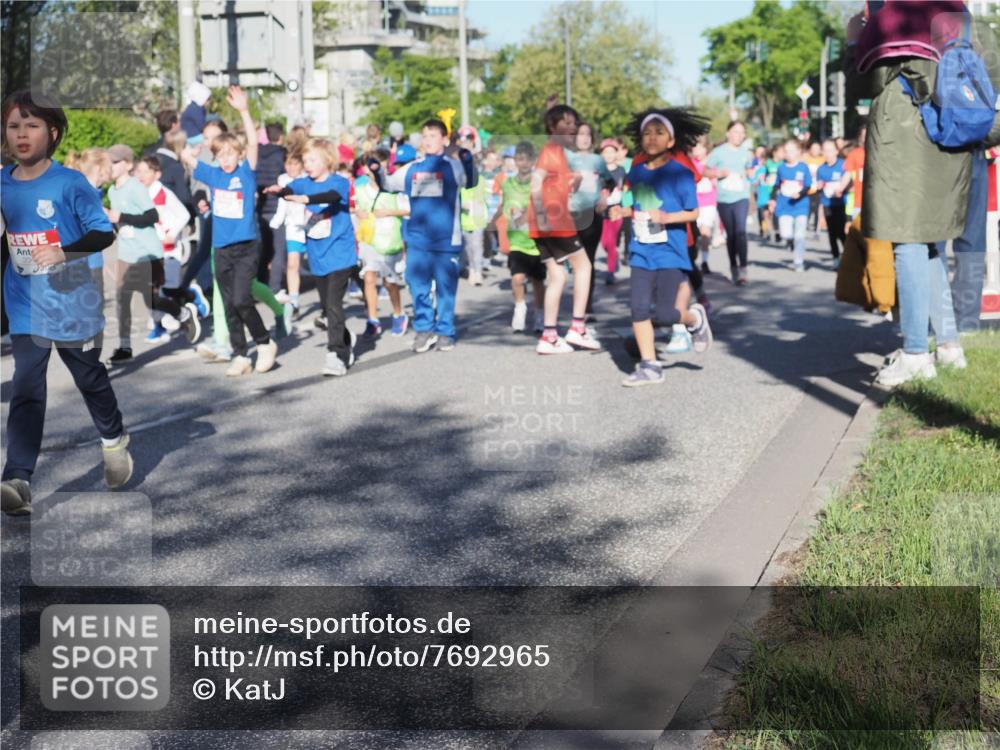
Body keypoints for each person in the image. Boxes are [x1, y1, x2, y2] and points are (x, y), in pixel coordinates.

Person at [1, 90, 133, 514]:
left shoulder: (70, 183)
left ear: (53, 133)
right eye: (13, 126)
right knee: (26, 384)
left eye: (32, 125)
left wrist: (64, 253)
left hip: (73, 301)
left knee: (89, 378)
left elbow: (103, 232)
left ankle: (113, 438)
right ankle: (17, 479)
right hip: (26, 303)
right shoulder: (2, 183)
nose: (21, 134)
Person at [847, 0, 971, 386]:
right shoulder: (953, 6)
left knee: (907, 239)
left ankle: (916, 353)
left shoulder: (892, 11)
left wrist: (854, 39)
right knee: (927, 241)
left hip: (905, 131)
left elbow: (863, 81)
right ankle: (949, 346)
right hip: (947, 130)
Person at [611, 108, 713, 387]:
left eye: (659, 133)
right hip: (641, 250)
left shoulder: (680, 174)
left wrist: (667, 218)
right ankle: (650, 366)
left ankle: (694, 319)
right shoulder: (638, 171)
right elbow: (639, 206)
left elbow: (693, 212)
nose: (652, 138)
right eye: (647, 133)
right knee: (638, 308)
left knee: (667, 314)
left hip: (670, 251)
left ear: (671, 140)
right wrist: (622, 211)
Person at [183, 85, 278, 377]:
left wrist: (244, 111)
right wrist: (190, 150)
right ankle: (240, 354)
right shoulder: (213, 174)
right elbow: (187, 156)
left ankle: (265, 342)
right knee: (228, 304)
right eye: (220, 155)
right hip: (221, 247)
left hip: (246, 246)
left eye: (230, 154)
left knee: (241, 300)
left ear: (238, 154)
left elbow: (253, 143)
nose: (225, 160)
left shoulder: (245, 173)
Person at [371, 118, 476, 353]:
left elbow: (470, 181)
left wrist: (468, 161)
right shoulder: (412, 168)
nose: (428, 140)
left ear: (445, 140)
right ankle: (424, 329)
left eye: (433, 136)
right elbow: (388, 184)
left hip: (446, 240)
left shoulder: (453, 166)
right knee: (417, 286)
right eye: (425, 136)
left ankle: (445, 331)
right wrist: (378, 172)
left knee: (445, 289)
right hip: (417, 240)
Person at [265, 139, 358, 376]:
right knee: (327, 309)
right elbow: (291, 189)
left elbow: (332, 196)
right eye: (305, 160)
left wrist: (306, 199)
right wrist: (281, 192)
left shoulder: (339, 182)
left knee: (334, 305)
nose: (307, 164)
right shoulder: (304, 182)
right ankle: (346, 338)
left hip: (340, 253)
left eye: (312, 160)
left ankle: (336, 354)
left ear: (328, 160)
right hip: (318, 255)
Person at [105, 144, 200, 364]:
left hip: (148, 252)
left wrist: (121, 216)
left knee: (152, 300)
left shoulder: (137, 188)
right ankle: (124, 348)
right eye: (109, 162)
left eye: (116, 162)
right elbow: (119, 223)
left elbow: (151, 216)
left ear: (128, 165)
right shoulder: (112, 191)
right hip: (126, 253)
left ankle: (183, 314)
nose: (111, 166)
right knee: (122, 300)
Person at [529, 104, 601, 354]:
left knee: (557, 276)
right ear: (552, 127)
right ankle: (578, 327)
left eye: (574, 123)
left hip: (542, 223)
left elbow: (555, 186)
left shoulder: (559, 152)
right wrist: (543, 216)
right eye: (567, 123)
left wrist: (574, 181)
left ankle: (548, 336)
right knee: (584, 266)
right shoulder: (552, 150)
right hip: (553, 221)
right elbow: (535, 183)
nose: (573, 127)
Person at [134, 154, 201, 341]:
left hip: (168, 249)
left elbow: (184, 215)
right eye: (139, 171)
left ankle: (191, 297)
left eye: (146, 171)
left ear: (157, 174)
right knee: (150, 291)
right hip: (148, 251)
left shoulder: (164, 193)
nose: (141, 175)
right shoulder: (138, 194)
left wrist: (172, 233)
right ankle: (159, 326)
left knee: (166, 289)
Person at [489, 141, 546, 333]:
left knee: (538, 281)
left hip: (536, 241)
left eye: (527, 159)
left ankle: (539, 313)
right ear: (515, 161)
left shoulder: (538, 184)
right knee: (517, 279)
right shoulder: (508, 184)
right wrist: (493, 220)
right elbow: (503, 205)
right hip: (517, 242)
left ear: (533, 161)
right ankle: (520, 308)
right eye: (520, 159)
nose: (523, 163)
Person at [354, 147, 410, 339]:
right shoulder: (360, 190)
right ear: (366, 168)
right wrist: (358, 212)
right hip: (369, 240)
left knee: (389, 283)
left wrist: (388, 212)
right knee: (369, 278)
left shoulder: (394, 189)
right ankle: (373, 320)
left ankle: (398, 314)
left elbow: (409, 209)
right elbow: (354, 208)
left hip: (389, 241)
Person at [567, 121, 611, 316]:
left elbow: (610, 182)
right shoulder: (568, 158)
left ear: (592, 138)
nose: (584, 138)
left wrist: (604, 197)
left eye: (587, 134)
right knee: (569, 259)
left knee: (588, 259)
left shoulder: (597, 160)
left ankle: (586, 303)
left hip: (592, 214)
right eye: (580, 134)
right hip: (570, 214)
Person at [703, 121, 753, 285]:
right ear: (728, 133)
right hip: (724, 198)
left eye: (742, 132)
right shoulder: (718, 152)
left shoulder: (747, 153)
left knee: (741, 232)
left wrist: (750, 174)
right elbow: (705, 171)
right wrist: (718, 174)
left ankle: (743, 269)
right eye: (735, 131)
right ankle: (733, 266)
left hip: (741, 196)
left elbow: (750, 170)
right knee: (731, 235)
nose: (739, 135)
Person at [270, 150, 308, 316]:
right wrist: (276, 221)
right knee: (293, 264)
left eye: (295, 164)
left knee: (317, 266)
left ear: (302, 165)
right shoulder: (283, 180)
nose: (291, 167)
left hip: (311, 227)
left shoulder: (308, 179)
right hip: (293, 228)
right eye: (288, 164)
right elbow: (282, 205)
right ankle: (294, 302)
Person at [768, 138, 812, 273]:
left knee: (800, 235)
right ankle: (789, 241)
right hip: (784, 205)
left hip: (801, 205)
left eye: (791, 151)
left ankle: (798, 262)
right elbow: (776, 185)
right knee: (786, 234)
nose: (788, 154)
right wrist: (772, 199)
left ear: (798, 151)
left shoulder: (803, 167)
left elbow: (808, 185)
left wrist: (800, 193)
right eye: (786, 151)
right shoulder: (781, 168)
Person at [256, 121, 288, 294]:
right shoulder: (281, 155)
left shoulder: (258, 154)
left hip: (261, 205)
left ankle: (260, 283)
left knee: (265, 248)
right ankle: (274, 287)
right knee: (277, 250)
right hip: (277, 206)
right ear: (281, 136)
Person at [598, 137, 625, 284]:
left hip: (616, 210)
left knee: (611, 241)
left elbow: (626, 190)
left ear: (616, 153)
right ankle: (613, 256)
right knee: (604, 243)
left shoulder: (621, 171)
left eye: (611, 151)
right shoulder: (598, 171)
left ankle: (610, 272)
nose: (608, 155)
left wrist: (626, 208)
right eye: (606, 152)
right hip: (601, 211)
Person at [815, 139, 846, 267]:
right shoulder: (821, 169)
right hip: (828, 204)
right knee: (832, 233)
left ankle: (848, 256)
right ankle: (836, 258)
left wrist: (842, 189)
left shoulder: (843, 165)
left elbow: (849, 182)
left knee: (842, 232)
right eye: (825, 150)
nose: (827, 153)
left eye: (830, 150)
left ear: (836, 151)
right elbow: (819, 189)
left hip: (842, 204)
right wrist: (819, 187)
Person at [691, 137, 718, 272]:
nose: (697, 151)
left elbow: (717, 179)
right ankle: (693, 257)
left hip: (708, 203)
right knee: (695, 234)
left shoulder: (712, 163)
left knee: (705, 233)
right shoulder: (690, 163)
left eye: (700, 148)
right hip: (693, 203)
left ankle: (705, 262)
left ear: (706, 149)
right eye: (694, 148)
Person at [752, 144, 781, 243]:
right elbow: (754, 180)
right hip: (763, 193)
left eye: (764, 159)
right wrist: (757, 180)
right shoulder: (759, 169)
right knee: (765, 213)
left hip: (773, 192)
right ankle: (767, 231)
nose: (762, 161)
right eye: (761, 159)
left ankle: (776, 231)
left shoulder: (773, 166)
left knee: (773, 213)